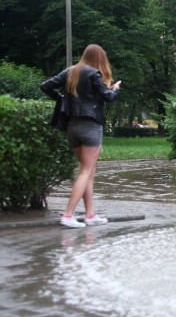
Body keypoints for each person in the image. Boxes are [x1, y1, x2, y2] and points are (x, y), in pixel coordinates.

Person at [41, 44, 121, 228]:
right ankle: (68, 215)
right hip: (91, 126)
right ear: (99, 58)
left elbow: (45, 86)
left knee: (88, 173)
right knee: (85, 172)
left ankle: (90, 215)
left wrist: (61, 99)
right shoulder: (94, 73)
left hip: (72, 127)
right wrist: (115, 88)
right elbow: (108, 97)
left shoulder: (70, 71)